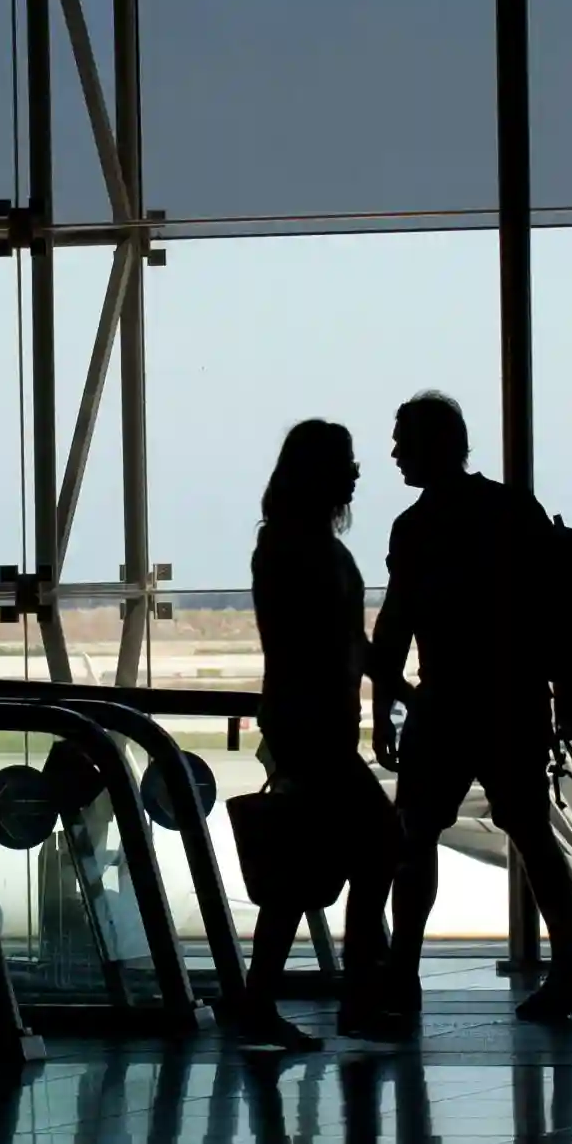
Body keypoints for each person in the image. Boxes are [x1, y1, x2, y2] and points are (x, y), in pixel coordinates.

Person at [364, 390, 572, 1037]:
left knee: (415, 840)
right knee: (531, 832)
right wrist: (563, 686)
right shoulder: (510, 511)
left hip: (445, 705)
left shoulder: (415, 529)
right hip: (512, 701)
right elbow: (544, 608)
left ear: (434, 445)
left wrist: (384, 707)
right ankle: (567, 965)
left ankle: (403, 976)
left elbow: (395, 626)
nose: (395, 452)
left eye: (404, 439)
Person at [233, 418, 387, 1050]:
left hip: (313, 723)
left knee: (303, 870)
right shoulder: (303, 548)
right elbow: (331, 641)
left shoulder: (295, 543)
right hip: (314, 725)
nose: (356, 473)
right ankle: (355, 992)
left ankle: (268, 999)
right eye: (346, 462)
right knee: (378, 843)